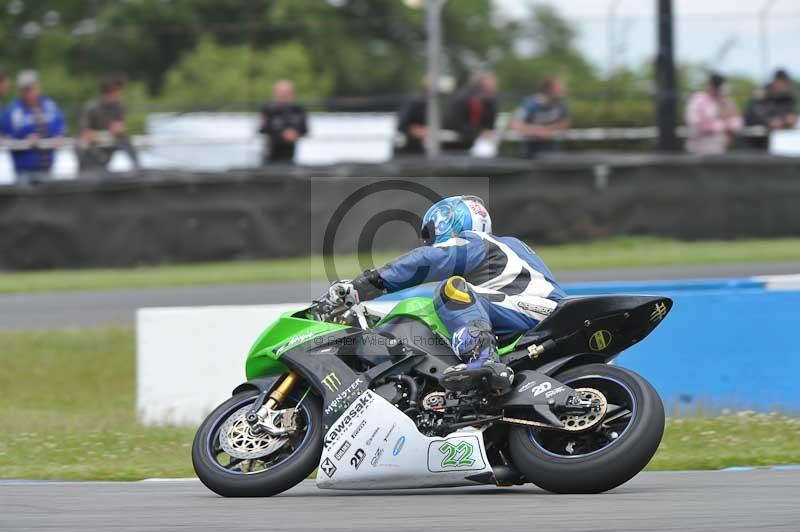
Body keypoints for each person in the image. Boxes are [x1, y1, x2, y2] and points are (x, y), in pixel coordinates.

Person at [324, 195, 565, 393]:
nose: (427, 241)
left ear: (448, 222)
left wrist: (360, 286)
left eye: (428, 233)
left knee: (451, 290)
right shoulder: (505, 248)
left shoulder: (477, 240)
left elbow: (427, 260)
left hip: (537, 311)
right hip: (532, 314)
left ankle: (483, 360)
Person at [0, 70, 65, 185]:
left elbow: (60, 126)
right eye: (25, 90)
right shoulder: (13, 110)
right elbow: (5, 135)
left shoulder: (50, 105)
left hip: (47, 167)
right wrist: (24, 139)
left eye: (32, 88)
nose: (29, 93)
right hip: (24, 169)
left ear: (38, 87)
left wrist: (58, 136)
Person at [78, 75, 139, 173]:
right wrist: (106, 134)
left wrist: (119, 130)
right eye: (118, 92)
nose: (121, 95)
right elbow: (85, 133)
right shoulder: (91, 108)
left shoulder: (119, 107)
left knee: (125, 141)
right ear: (110, 92)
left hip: (108, 150)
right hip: (91, 153)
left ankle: (138, 168)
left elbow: (120, 129)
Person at [511, 77, 570, 159]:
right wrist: (536, 131)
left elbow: (564, 124)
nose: (563, 90)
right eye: (559, 87)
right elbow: (515, 124)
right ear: (549, 89)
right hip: (530, 154)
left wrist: (546, 130)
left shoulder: (560, 104)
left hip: (553, 153)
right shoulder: (529, 104)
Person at [685, 73, 742, 155]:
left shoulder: (727, 101)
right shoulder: (698, 100)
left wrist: (718, 124)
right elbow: (695, 123)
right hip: (699, 151)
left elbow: (737, 124)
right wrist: (723, 125)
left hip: (723, 151)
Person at [745, 69, 798, 148]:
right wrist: (769, 121)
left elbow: (791, 112)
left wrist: (789, 118)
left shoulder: (788, 97)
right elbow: (752, 114)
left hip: (784, 132)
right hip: (761, 132)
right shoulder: (762, 94)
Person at [445, 72, 498, 150]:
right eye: (492, 86)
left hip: (475, 142)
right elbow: (455, 123)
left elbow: (490, 125)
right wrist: (479, 131)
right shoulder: (461, 98)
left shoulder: (489, 101)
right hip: (454, 144)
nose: (495, 89)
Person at [259, 80, 307, 164]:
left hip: (290, 156)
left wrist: (295, 134)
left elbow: (304, 129)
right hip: (270, 155)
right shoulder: (268, 109)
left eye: (286, 92)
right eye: (281, 92)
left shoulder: (298, 110)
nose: (284, 95)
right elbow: (263, 129)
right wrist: (282, 134)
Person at [397, 78, 428, 154]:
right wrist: (415, 130)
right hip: (410, 148)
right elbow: (401, 124)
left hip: (424, 146)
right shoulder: (415, 102)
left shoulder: (430, 104)